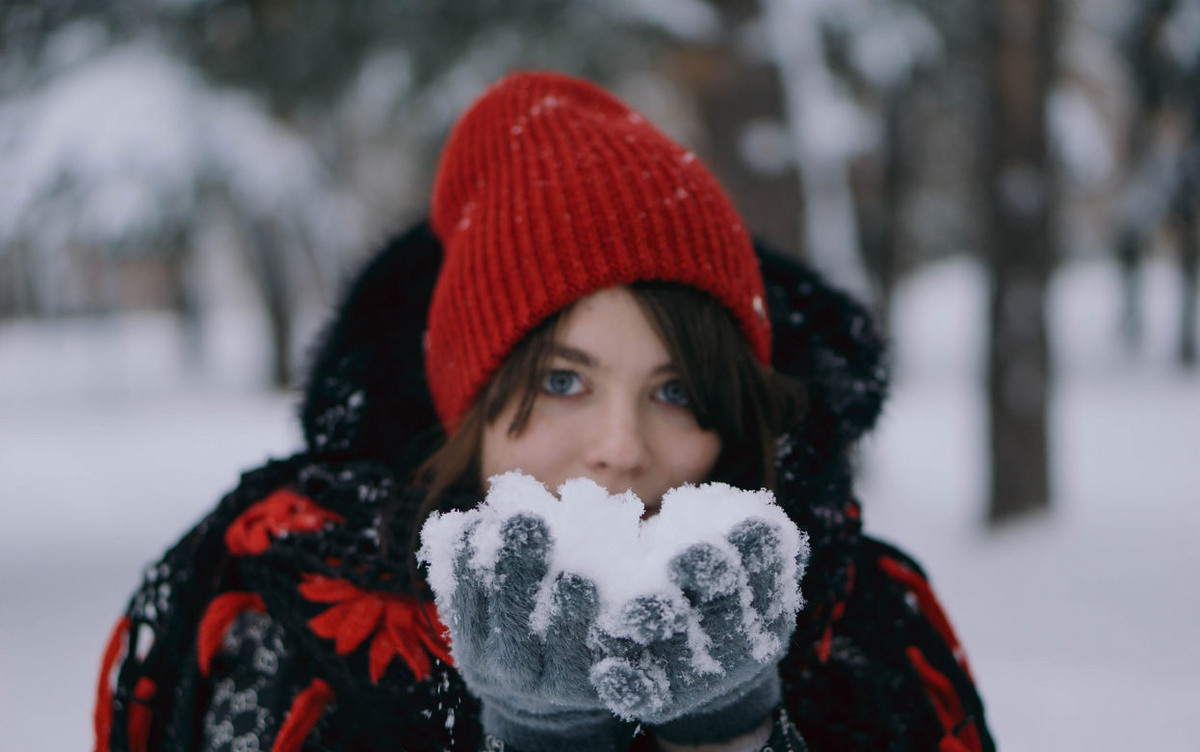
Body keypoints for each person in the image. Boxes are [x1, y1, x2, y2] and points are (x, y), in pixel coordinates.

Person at [94, 71, 993, 752]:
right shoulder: (282, 638)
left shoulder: (865, 626)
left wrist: (733, 732)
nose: (619, 448)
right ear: (470, 406)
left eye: (675, 391)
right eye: (563, 380)